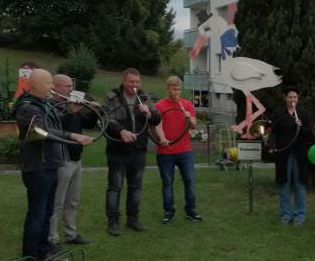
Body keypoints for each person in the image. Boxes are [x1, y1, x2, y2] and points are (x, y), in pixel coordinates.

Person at [14, 69, 93, 261]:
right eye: (49, 83)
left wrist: (72, 111)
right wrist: (73, 136)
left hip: (49, 165)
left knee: (47, 212)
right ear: (36, 85)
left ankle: (42, 252)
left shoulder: (45, 104)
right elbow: (43, 131)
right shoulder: (27, 107)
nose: (52, 87)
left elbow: (58, 123)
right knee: (37, 215)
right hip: (37, 168)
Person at [102, 68, 161, 236]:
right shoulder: (112, 97)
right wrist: (121, 131)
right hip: (117, 150)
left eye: (137, 82)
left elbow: (157, 118)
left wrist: (149, 113)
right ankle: (113, 222)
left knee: (135, 187)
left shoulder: (144, 97)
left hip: (139, 150)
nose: (134, 85)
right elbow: (105, 117)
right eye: (131, 82)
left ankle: (133, 219)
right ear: (124, 81)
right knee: (115, 187)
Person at [48, 74, 98, 250]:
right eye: (67, 86)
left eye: (71, 86)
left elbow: (88, 124)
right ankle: (52, 238)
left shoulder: (71, 104)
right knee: (57, 202)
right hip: (62, 159)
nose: (71, 89)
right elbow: (59, 130)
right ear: (56, 86)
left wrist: (93, 110)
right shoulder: (51, 107)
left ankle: (71, 234)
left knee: (73, 200)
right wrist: (71, 111)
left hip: (76, 159)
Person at [155, 76, 202, 224]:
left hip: (185, 150)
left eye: (179, 89)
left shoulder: (186, 104)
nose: (176, 92)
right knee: (167, 183)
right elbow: (157, 125)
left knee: (189, 181)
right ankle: (169, 211)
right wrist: (162, 138)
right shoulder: (159, 106)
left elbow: (194, 125)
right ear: (167, 88)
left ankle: (191, 210)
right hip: (165, 151)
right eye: (174, 89)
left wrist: (189, 117)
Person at [269, 86, 315, 225]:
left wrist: (301, 127)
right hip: (284, 154)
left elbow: (311, 136)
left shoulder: (304, 114)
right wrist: (272, 146)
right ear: (285, 97)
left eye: (295, 97)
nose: (292, 99)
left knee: (300, 185)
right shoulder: (279, 113)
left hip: (300, 155)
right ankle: (286, 214)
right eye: (290, 97)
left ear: (298, 98)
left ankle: (299, 215)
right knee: (284, 184)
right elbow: (273, 132)